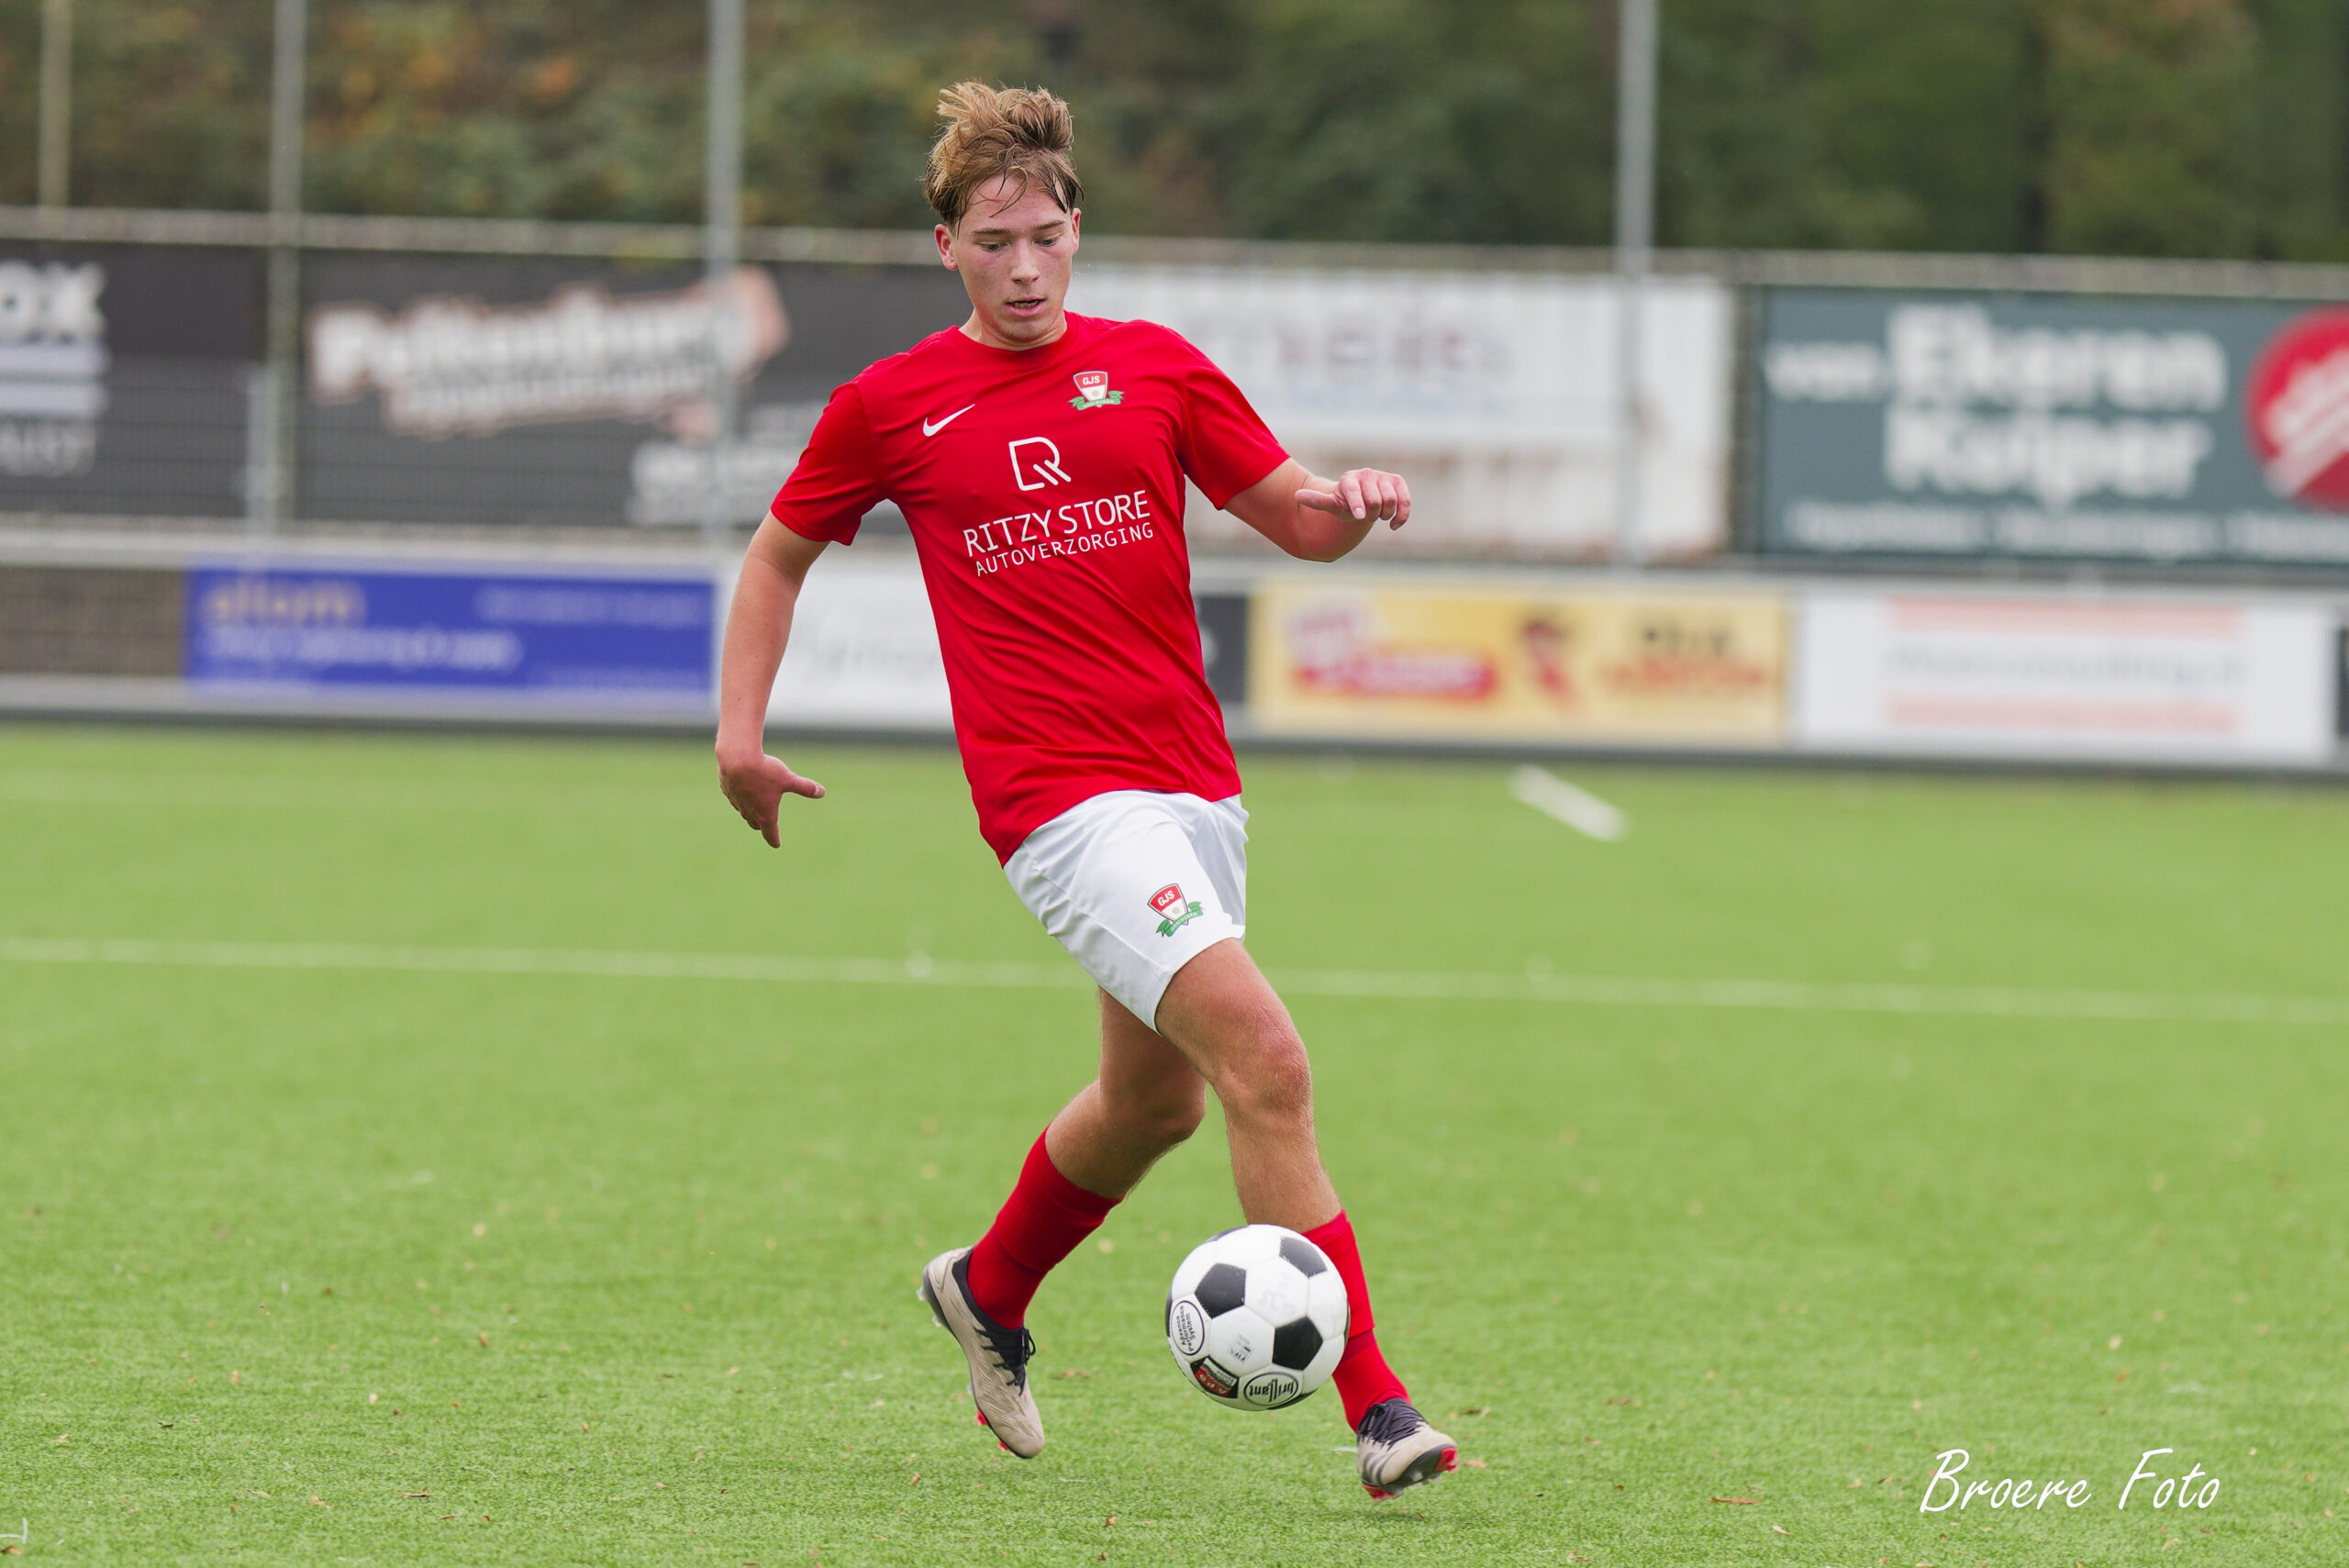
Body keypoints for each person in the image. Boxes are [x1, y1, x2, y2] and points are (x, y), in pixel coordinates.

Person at [715, 81, 1455, 1500]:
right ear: (947, 247)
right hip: (1057, 805)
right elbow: (775, 558)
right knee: (1269, 1060)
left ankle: (986, 1289)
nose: (1025, 268)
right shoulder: (891, 405)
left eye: (1046, 237)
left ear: (1076, 230)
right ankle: (1378, 1404)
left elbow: (1296, 518)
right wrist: (739, 735)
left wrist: (1352, 504)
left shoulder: (1157, 368)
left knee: (1156, 1104)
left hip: (1194, 792)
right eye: (994, 243)